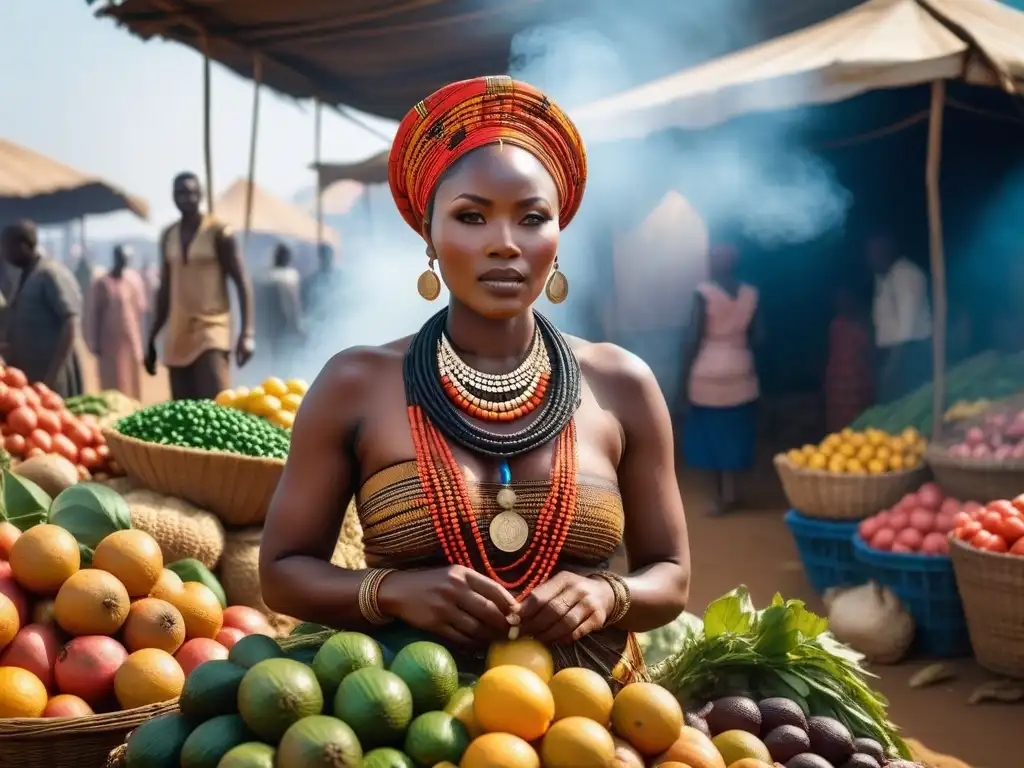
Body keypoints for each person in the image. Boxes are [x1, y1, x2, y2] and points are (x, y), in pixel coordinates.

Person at [259, 77, 690, 686]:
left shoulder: (622, 383)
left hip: (595, 724)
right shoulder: (355, 384)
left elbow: (670, 574)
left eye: (532, 217)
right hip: (407, 719)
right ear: (430, 236)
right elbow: (281, 570)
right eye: (471, 217)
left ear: (557, 235)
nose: (505, 244)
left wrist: (608, 596)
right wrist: (393, 592)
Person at [145, 172, 256, 400]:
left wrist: (247, 333)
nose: (185, 198)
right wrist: (152, 337)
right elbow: (165, 289)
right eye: (179, 193)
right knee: (184, 412)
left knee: (217, 403)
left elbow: (242, 281)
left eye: (190, 192)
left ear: (201, 195)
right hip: (177, 332)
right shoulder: (169, 236)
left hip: (211, 328)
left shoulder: (219, 233)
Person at [681, 244, 760, 515]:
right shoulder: (751, 294)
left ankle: (718, 497)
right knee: (737, 433)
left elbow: (693, 338)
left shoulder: (704, 294)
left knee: (710, 437)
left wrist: (681, 383)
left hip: (707, 372)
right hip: (742, 368)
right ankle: (734, 492)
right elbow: (761, 337)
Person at [0, 221, 85, 397]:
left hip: (52, 379)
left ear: (23, 246)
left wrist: (52, 376)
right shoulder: (25, 276)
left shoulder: (49, 274)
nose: (4, 254)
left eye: (6, 247)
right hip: (32, 377)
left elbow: (70, 322)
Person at [866, 236, 932, 404]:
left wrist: (891, 368)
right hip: (894, 354)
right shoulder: (883, 277)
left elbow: (906, 332)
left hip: (908, 354)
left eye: (873, 252)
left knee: (908, 404)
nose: (869, 258)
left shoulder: (906, 275)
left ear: (888, 249)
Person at [87, 245, 147, 399]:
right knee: (112, 381)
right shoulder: (102, 283)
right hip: (109, 342)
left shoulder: (133, 280)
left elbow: (140, 310)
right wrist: (94, 342)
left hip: (130, 339)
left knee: (132, 379)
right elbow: (95, 313)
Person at [825, 285, 874, 433]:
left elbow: (867, 351)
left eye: (846, 299)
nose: (842, 303)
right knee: (837, 418)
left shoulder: (861, 323)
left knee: (857, 418)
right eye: (839, 300)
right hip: (838, 378)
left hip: (855, 379)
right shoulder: (835, 324)